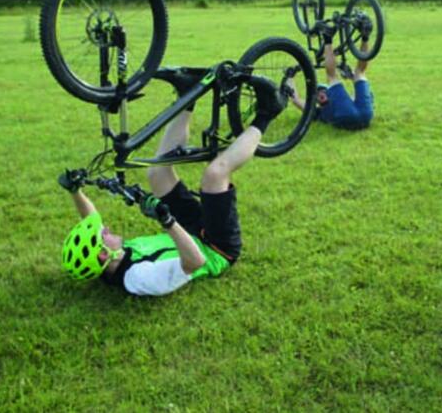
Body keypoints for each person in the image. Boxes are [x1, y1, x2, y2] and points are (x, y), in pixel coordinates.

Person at [57, 70, 287, 296]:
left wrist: (75, 191)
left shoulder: (110, 258)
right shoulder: (139, 278)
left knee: (157, 173)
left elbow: (91, 220)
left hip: (189, 231)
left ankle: (188, 95)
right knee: (215, 175)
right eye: (102, 236)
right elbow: (195, 262)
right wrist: (167, 220)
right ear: (103, 255)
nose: (105, 230)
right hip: (214, 248)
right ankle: (268, 112)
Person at [290, 25, 374, 130]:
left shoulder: (320, 112)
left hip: (361, 117)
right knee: (357, 73)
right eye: (318, 93)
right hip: (364, 115)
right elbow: (296, 99)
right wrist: (290, 77)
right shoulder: (317, 113)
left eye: (321, 91)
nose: (320, 94)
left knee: (341, 75)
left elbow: (295, 99)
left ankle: (361, 36)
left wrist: (290, 76)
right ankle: (361, 36)